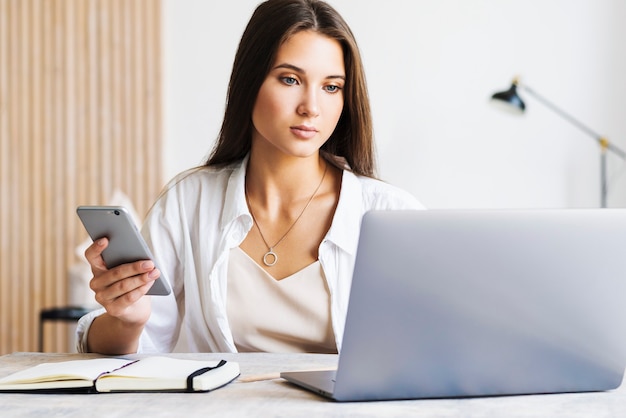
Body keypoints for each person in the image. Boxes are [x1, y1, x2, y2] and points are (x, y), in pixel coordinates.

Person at [76, 0, 424, 355]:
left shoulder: (390, 215)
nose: (311, 107)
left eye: (331, 87)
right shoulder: (188, 202)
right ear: (250, 81)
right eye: (290, 79)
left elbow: (427, 349)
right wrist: (126, 320)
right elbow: (133, 355)